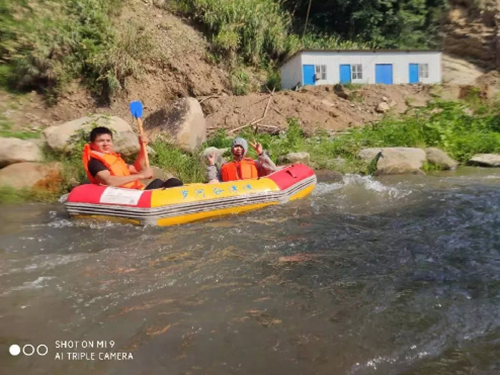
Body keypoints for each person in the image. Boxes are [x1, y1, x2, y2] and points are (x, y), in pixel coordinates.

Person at [82, 126, 183, 190]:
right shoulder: (95, 162)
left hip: (135, 192)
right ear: (92, 144)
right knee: (158, 183)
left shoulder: (112, 158)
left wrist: (143, 147)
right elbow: (109, 181)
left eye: (108, 141)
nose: (105, 144)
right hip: (124, 197)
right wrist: (141, 176)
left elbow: (136, 169)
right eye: (101, 141)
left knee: (173, 182)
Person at [205, 137, 277, 183]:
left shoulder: (254, 163)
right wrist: (211, 165)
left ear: (245, 150)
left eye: (241, 147)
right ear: (232, 150)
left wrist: (261, 153)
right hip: (232, 193)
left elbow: (273, 169)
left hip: (252, 191)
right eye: (236, 146)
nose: (238, 148)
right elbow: (214, 180)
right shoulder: (225, 166)